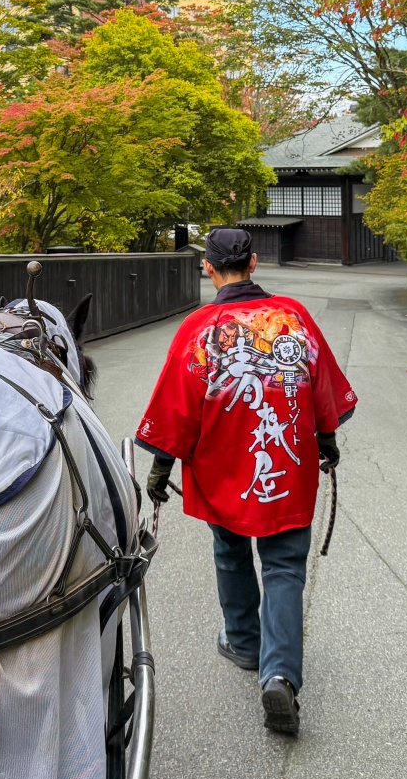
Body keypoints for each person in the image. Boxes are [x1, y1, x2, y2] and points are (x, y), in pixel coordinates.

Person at [136, 227, 355, 736]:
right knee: (283, 566)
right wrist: (327, 440)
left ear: (208, 268)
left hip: (224, 467)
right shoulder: (294, 318)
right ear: (254, 263)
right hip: (287, 461)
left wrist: (160, 467)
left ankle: (243, 641)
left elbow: (176, 407)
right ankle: (279, 674)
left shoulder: (197, 330)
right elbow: (320, 384)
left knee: (231, 552)